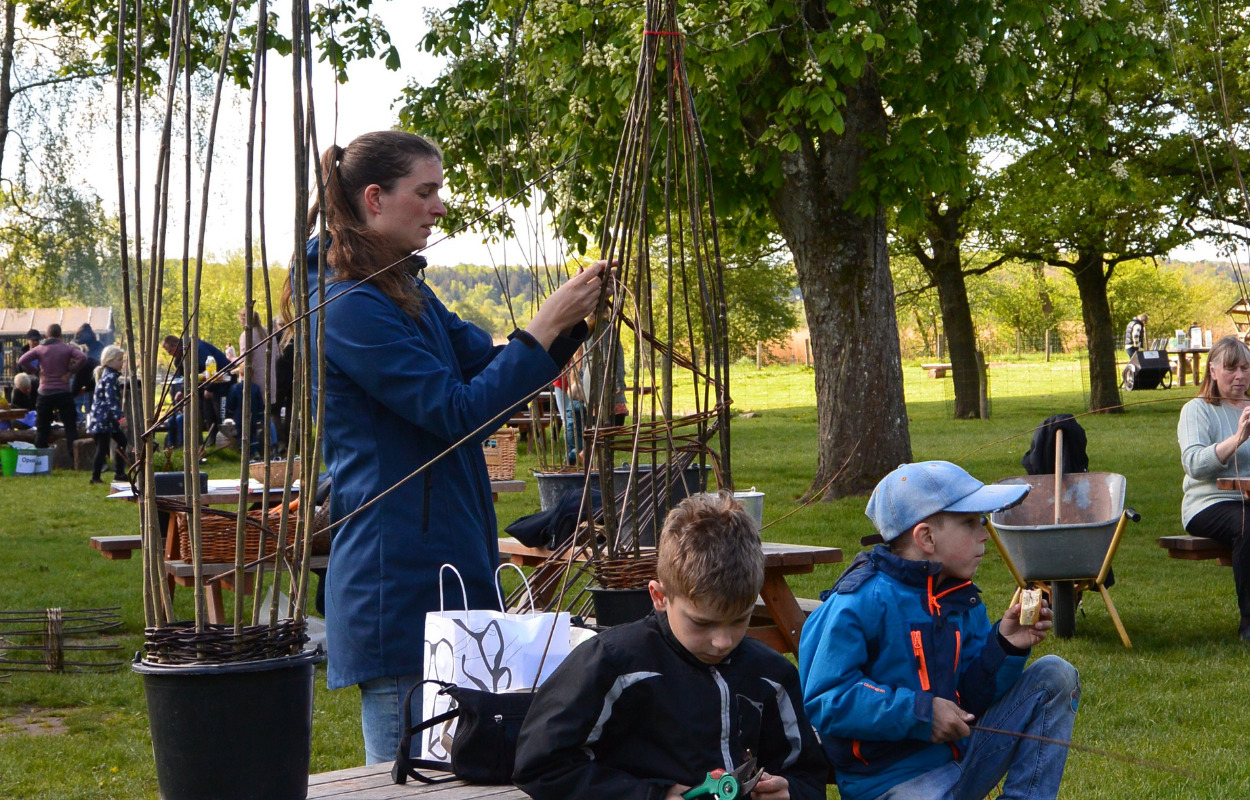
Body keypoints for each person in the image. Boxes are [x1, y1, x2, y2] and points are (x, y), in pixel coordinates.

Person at [289, 130, 603, 763]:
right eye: (425, 191)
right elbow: (456, 412)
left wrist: (572, 324)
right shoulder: (346, 305)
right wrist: (543, 324)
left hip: (447, 570)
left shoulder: (402, 289)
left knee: (463, 772)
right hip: (398, 586)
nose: (439, 206)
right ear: (375, 198)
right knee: (409, 777)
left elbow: (486, 371)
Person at [513, 492, 829, 800]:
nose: (723, 641)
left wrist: (790, 792)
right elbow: (541, 766)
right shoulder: (611, 665)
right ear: (660, 597)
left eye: (739, 620)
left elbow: (808, 775)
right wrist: (652, 795)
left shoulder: (771, 676)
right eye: (701, 623)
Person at [799, 461, 1080, 800]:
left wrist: (1006, 646)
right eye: (969, 522)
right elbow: (828, 699)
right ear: (927, 537)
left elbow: (973, 696)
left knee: (1055, 675)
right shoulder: (858, 602)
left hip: (964, 760)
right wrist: (920, 713)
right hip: (892, 782)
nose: (984, 533)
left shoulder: (960, 596)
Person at [1177, 335, 1250, 643]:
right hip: (1208, 503)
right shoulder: (1197, 410)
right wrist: (1237, 438)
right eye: (1231, 368)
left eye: (1246, 368)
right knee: (1248, 524)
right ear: (1213, 371)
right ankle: (1249, 622)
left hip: (1246, 499)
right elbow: (1193, 463)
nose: (1240, 376)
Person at [17, 323, 87, 450]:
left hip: (45, 392)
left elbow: (22, 360)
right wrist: (71, 371)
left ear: (46, 336)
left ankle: (41, 458)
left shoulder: (40, 349)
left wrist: (36, 371)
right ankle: (74, 456)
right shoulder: (67, 348)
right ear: (60, 336)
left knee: (42, 428)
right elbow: (82, 357)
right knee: (70, 426)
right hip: (63, 391)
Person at [88, 345, 128, 484]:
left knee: (121, 441)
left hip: (105, 418)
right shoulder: (110, 377)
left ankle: (119, 472)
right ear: (110, 361)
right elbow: (111, 401)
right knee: (103, 447)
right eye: (119, 360)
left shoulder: (107, 376)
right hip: (104, 418)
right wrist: (121, 417)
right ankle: (96, 477)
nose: (122, 363)